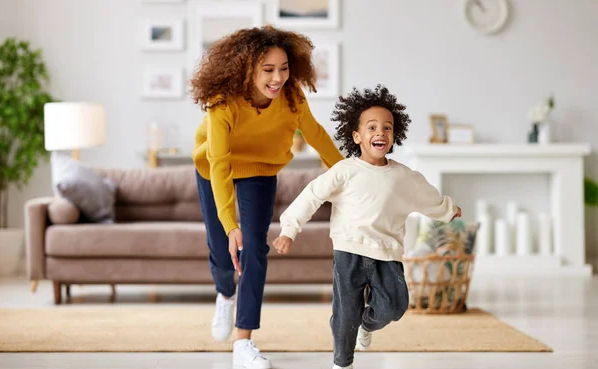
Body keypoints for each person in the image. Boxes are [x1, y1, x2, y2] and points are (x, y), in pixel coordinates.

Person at [273, 85, 462, 369]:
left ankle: (367, 325)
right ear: (357, 136)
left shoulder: (404, 177)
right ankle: (342, 363)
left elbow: (428, 197)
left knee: (395, 307)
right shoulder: (344, 171)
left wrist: (448, 210)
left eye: (387, 128)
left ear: (393, 135)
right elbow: (312, 195)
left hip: (387, 253)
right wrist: (289, 228)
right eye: (372, 127)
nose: (380, 133)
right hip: (348, 251)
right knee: (345, 313)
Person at [189, 25, 344, 369]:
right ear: (248, 70)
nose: (278, 78)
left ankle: (243, 342)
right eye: (268, 70)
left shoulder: (292, 97)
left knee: (255, 248)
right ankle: (226, 293)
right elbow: (218, 163)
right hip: (215, 168)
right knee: (220, 247)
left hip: (260, 169)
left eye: (284, 68)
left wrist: (350, 176)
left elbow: (316, 135)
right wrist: (230, 225)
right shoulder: (223, 103)